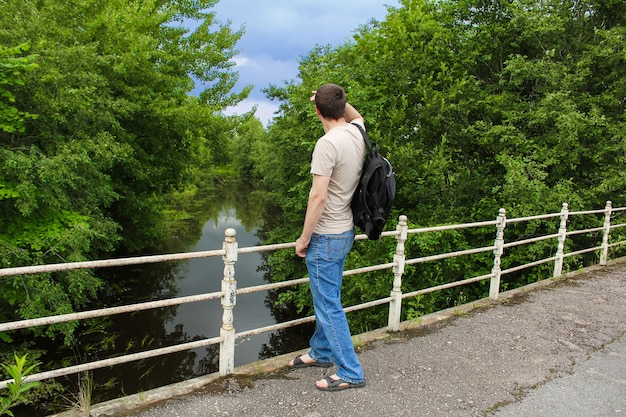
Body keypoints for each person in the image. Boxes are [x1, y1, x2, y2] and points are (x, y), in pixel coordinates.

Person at [288, 83, 367, 391]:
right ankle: (320, 352)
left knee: (328, 304)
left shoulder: (327, 144)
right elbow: (355, 114)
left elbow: (317, 197)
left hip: (326, 236)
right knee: (327, 297)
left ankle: (350, 371)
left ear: (317, 111)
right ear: (341, 105)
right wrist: (335, 101)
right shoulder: (356, 132)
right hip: (345, 231)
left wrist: (304, 239)